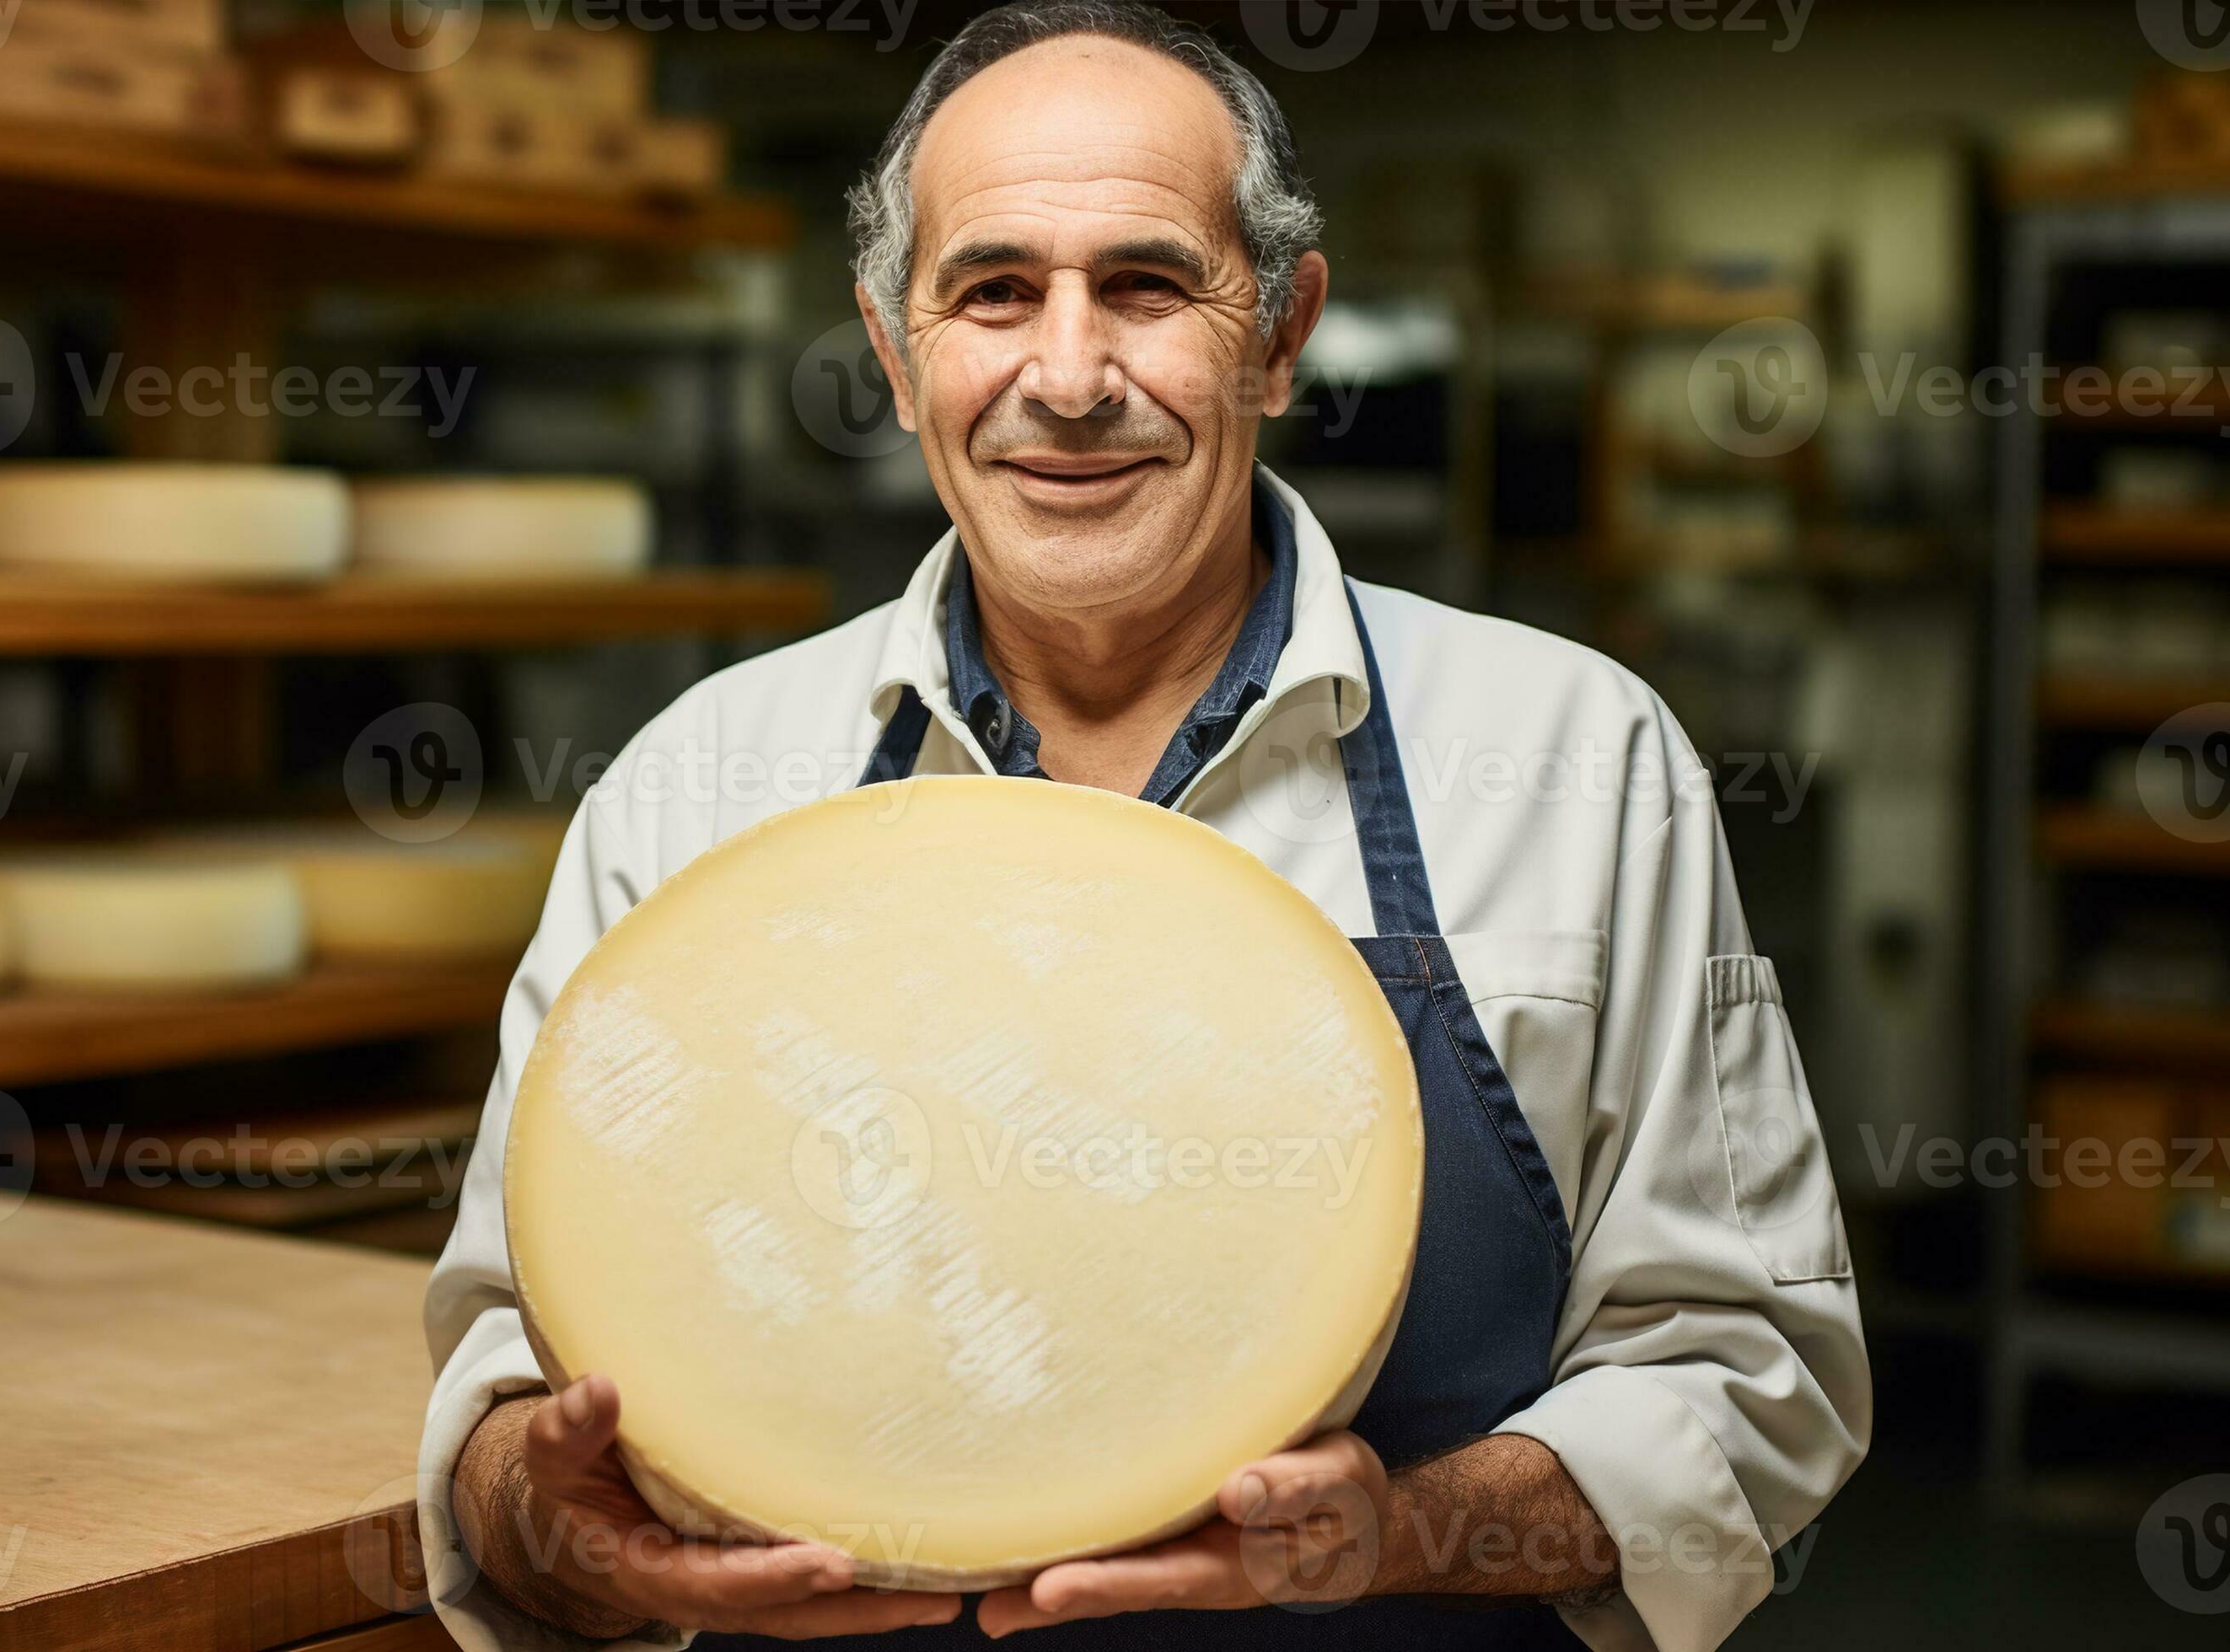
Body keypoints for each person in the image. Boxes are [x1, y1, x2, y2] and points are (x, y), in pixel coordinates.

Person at [421, 5, 1869, 1650]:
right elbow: (496, 1409)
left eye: (1144, 284)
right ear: (895, 356)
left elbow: (1750, 1381)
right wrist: (573, 1536)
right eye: (989, 291)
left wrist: (1396, 1531)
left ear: (1279, 331)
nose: (1064, 374)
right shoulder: (694, 790)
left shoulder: (1571, 758)